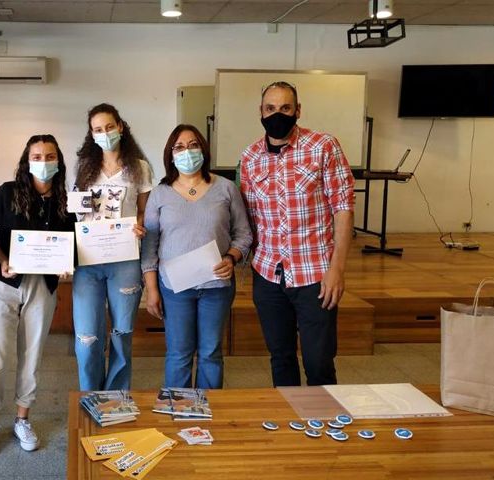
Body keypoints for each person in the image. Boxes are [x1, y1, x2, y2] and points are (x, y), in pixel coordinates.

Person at [240, 81, 355, 387]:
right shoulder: (250, 156)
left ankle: (324, 415)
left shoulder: (323, 146)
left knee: (319, 363)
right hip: (268, 274)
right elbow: (249, 216)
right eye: (270, 108)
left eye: (285, 108)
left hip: (315, 275)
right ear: (261, 112)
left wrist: (337, 269)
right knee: (281, 358)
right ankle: (288, 416)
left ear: (298, 111)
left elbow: (343, 208)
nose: (277, 114)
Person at [0, 135, 74, 457]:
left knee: (32, 356)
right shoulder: (7, 192)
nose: (43, 162)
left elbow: (72, 243)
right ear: (26, 161)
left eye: (50, 156)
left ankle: (22, 419)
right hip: (3, 283)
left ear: (59, 161)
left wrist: (67, 265)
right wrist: (3, 261)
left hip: (42, 286)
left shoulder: (66, 200)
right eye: (37, 156)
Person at [141, 125, 252, 389]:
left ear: (203, 149)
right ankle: (178, 407)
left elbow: (244, 234)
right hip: (174, 289)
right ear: (170, 154)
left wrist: (232, 258)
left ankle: (208, 408)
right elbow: (149, 247)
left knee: (210, 353)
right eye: (179, 147)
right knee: (178, 354)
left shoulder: (226, 188)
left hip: (216, 287)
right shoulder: (159, 194)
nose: (187, 152)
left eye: (193, 145)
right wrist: (152, 290)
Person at [72, 103, 152, 392]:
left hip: (124, 260)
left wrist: (139, 226)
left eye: (109, 127)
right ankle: (91, 395)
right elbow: (76, 210)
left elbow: (144, 212)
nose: (104, 133)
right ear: (91, 134)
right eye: (98, 129)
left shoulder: (139, 168)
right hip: (88, 261)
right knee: (87, 337)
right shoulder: (84, 167)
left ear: (120, 126)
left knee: (122, 332)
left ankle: (116, 397)